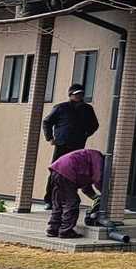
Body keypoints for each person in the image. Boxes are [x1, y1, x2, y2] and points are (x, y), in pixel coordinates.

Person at [42, 83, 99, 224]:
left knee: (74, 173)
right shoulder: (61, 108)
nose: (79, 96)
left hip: (78, 146)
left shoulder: (87, 109)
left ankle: (67, 199)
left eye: (81, 94)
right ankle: (49, 200)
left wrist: (86, 134)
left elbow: (94, 125)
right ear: (70, 95)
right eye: (76, 94)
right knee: (56, 172)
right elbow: (47, 122)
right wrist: (50, 138)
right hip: (62, 144)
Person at [47, 146, 104, 240]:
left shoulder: (86, 160)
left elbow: (86, 187)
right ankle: (66, 231)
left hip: (56, 170)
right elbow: (98, 178)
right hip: (67, 172)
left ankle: (53, 229)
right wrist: (105, 194)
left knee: (59, 202)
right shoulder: (98, 158)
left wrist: (95, 197)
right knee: (72, 202)